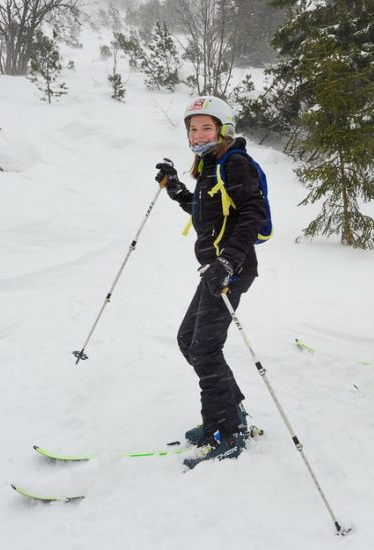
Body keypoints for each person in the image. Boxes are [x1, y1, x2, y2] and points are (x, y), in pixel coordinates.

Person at [154, 96, 267, 467]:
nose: (198, 133)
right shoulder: (209, 165)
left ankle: (228, 430)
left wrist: (229, 260)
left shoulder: (233, 162)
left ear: (223, 128)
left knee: (204, 347)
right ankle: (230, 411)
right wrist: (177, 190)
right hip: (215, 269)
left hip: (232, 268)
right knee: (189, 340)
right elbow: (208, 210)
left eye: (206, 127)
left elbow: (252, 212)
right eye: (193, 128)